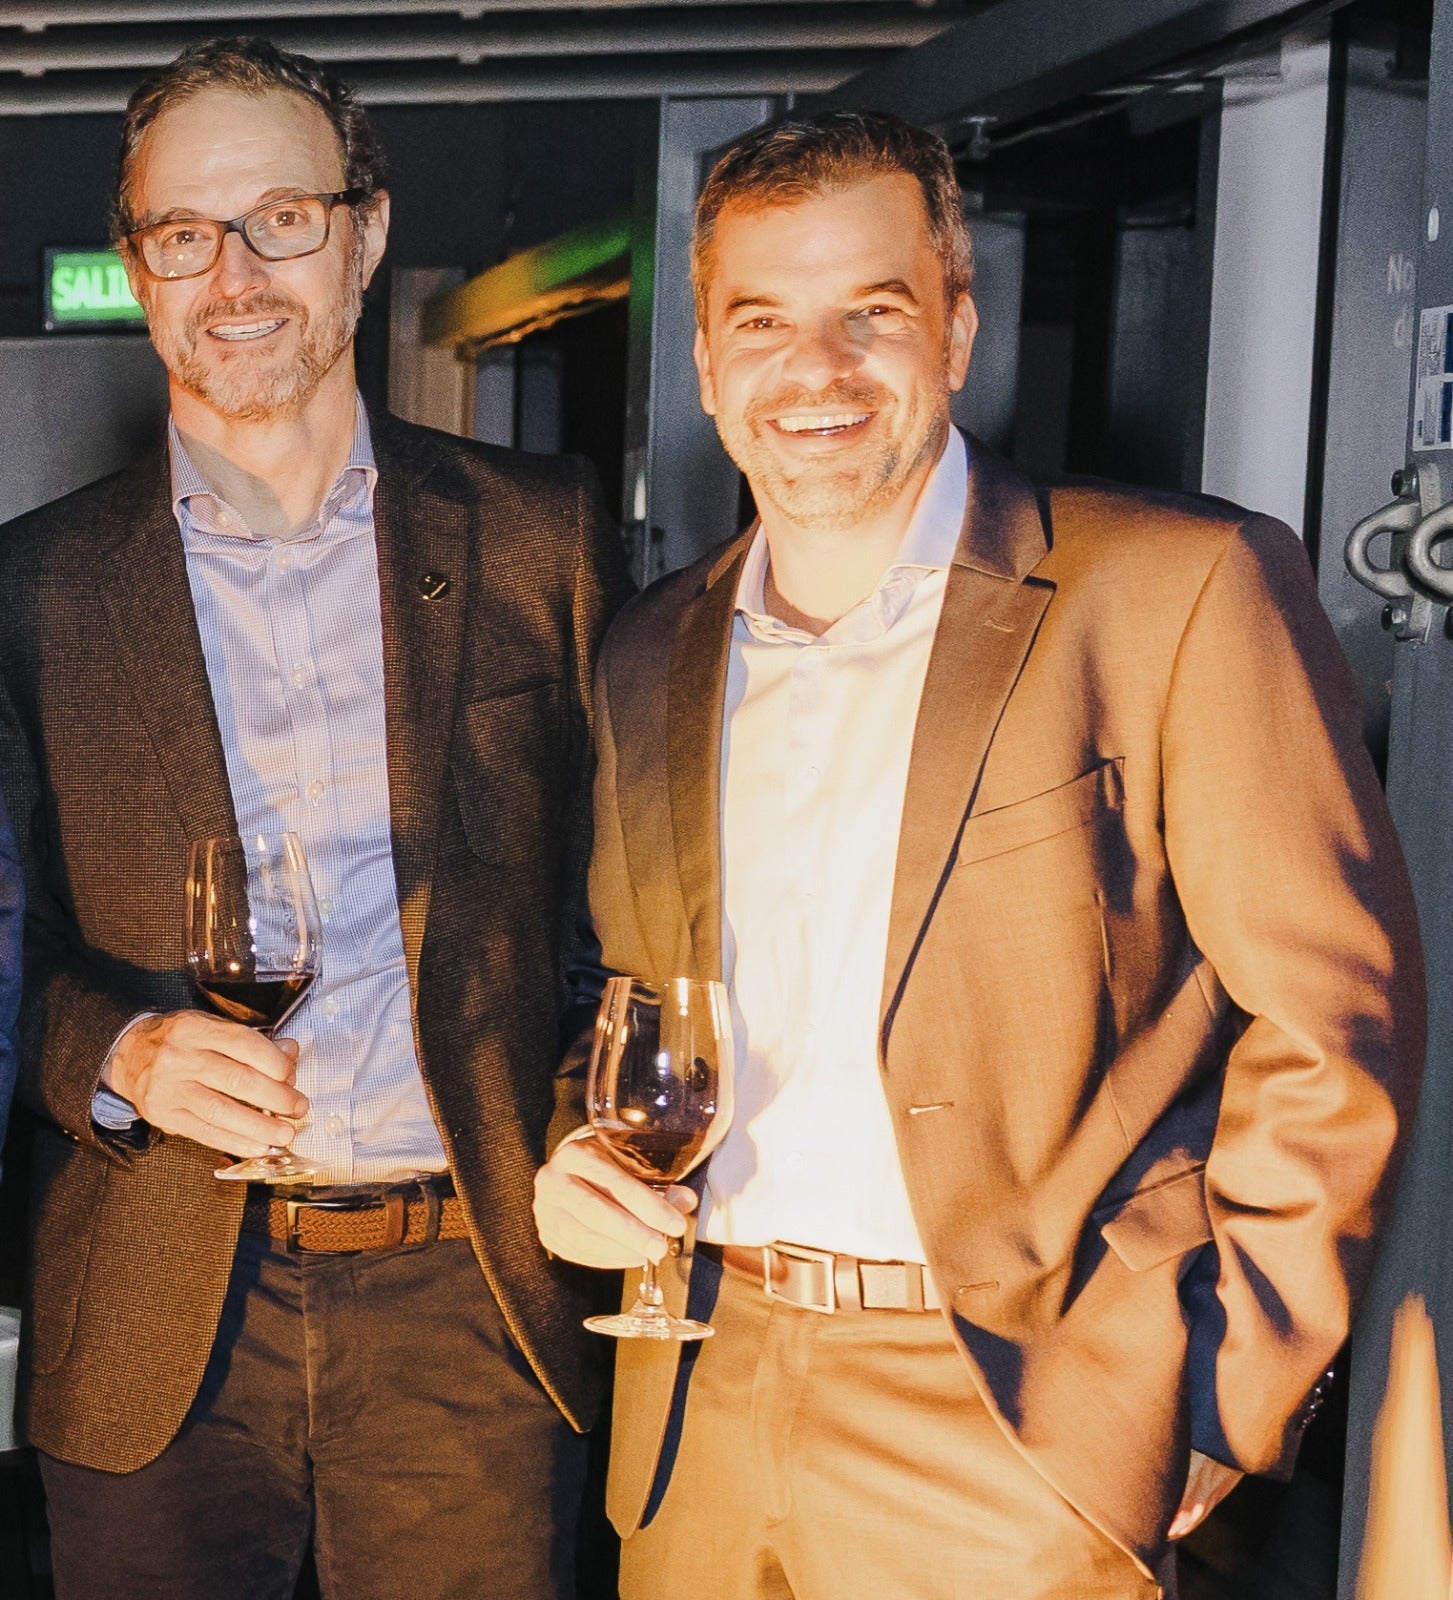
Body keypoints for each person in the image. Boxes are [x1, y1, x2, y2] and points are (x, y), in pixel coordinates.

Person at [533, 111, 1426, 1599]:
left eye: (869, 314)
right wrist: (587, 1153)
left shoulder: (1175, 591)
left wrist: (1227, 1396)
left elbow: (1333, 1021)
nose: (814, 370)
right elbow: (633, 1002)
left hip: (1022, 1428)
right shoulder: (647, 650)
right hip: (699, 1398)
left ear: (955, 327)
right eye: (761, 323)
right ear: (704, 362)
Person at [0, 36, 630, 1600]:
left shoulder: (541, 536)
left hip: (469, 1302)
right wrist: (116, 1054)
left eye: (280, 220)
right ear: (137, 266)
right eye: (184, 234)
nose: (233, 276)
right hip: (153, 1313)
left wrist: (597, 1127)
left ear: (364, 232)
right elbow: (12, 947)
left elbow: (619, 906)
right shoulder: (30, 591)